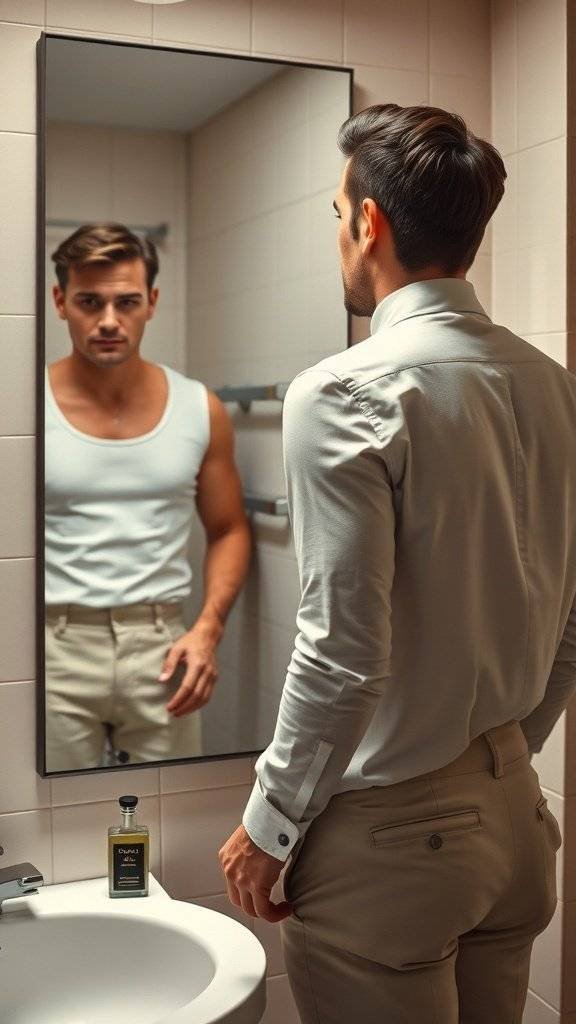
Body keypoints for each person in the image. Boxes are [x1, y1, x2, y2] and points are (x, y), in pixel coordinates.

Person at [218, 104, 575, 1022]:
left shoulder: (344, 392)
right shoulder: (552, 386)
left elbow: (342, 650)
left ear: (369, 222)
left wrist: (269, 824)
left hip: (395, 846)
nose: (339, 234)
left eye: (339, 214)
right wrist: (502, 757)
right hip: (516, 826)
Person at [45, 223, 251, 771]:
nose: (109, 321)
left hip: (163, 641)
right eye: (90, 302)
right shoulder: (24, 410)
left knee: (166, 813)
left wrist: (208, 627)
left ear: (152, 303)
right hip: (54, 645)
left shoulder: (197, 406)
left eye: (126, 302)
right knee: (49, 815)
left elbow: (228, 528)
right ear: (60, 301)